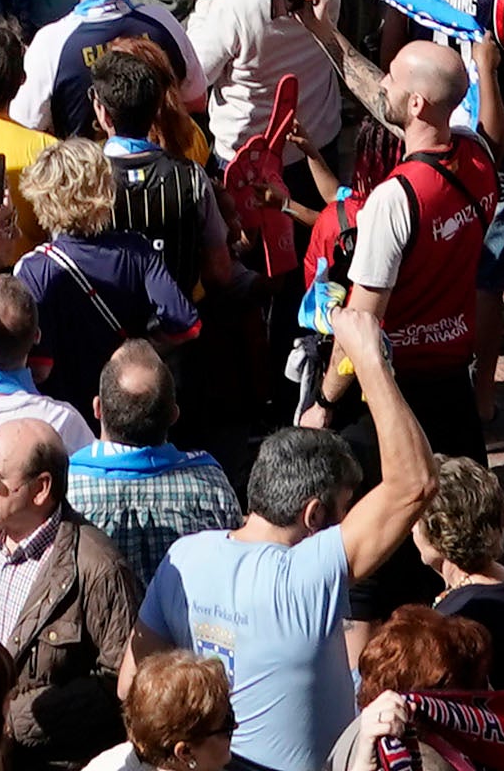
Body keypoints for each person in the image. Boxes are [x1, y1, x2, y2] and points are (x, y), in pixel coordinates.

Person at [136, 300, 439, 771]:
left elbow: (134, 682)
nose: (350, 520)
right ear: (314, 515)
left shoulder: (185, 557)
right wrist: (368, 359)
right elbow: (415, 483)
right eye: (345, 509)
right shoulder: (305, 577)